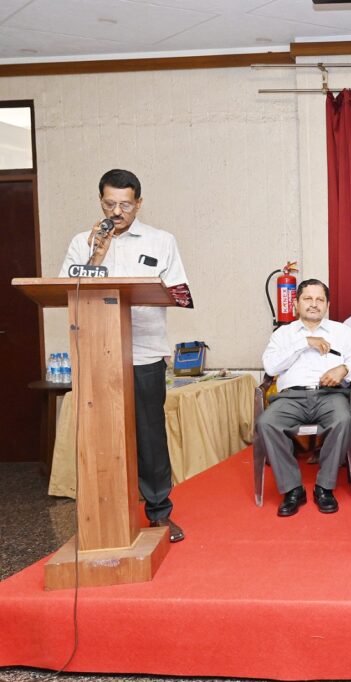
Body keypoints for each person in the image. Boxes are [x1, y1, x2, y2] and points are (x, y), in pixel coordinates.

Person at [59, 169, 192, 543]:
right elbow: (67, 288)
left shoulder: (160, 240)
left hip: (144, 353)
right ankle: (104, 514)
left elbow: (179, 292)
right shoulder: (82, 243)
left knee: (150, 437)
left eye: (125, 205)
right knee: (100, 436)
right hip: (95, 355)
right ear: (100, 201)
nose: (117, 212)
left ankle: (159, 514)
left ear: (139, 203)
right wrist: (96, 256)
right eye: (109, 204)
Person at [257, 279, 351, 517]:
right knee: (267, 423)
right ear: (296, 304)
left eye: (320, 299)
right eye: (308, 299)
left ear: (328, 305)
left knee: (342, 420)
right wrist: (303, 343)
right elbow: (271, 367)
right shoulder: (283, 334)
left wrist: (344, 369)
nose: (314, 304)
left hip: (330, 395)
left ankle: (324, 487)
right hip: (290, 397)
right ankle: (293, 489)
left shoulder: (342, 332)